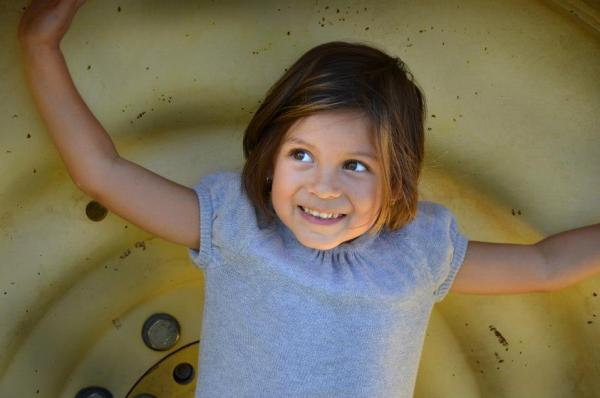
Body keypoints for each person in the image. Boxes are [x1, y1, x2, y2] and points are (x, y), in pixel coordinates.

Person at [17, 0, 600, 397]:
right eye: (301, 156)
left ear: (398, 181)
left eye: (356, 165)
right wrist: (40, 44)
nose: (325, 186)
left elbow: (545, 265)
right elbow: (102, 172)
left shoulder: (418, 251)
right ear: (268, 158)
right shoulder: (237, 227)